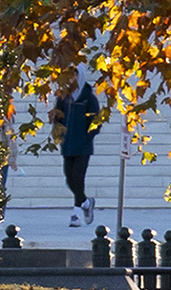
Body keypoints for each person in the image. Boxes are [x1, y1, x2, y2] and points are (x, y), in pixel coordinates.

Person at [58, 67, 105, 227]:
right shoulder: (64, 97)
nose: (71, 78)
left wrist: (88, 136)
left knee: (78, 178)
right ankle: (86, 202)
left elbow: (96, 121)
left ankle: (76, 214)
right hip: (67, 145)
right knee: (69, 179)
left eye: (74, 75)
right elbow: (58, 118)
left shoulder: (88, 98)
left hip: (83, 146)